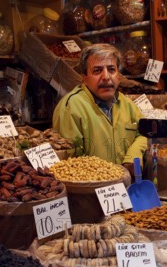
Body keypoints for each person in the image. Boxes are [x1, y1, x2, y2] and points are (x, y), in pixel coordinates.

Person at [52, 43, 147, 175]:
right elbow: (69, 164)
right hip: (91, 191)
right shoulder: (70, 107)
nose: (106, 77)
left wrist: (133, 157)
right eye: (97, 71)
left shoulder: (127, 104)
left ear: (119, 76)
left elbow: (144, 132)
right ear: (84, 77)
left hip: (126, 188)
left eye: (111, 69)